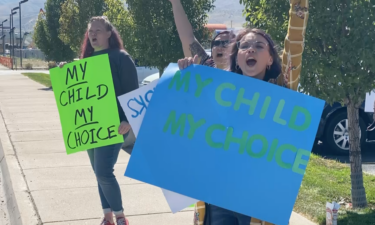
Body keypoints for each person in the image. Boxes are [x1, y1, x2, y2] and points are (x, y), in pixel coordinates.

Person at [176, 0, 309, 224]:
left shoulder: (282, 90)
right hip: (218, 195)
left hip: (259, 198)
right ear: (236, 57)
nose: (251, 49)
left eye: (259, 46)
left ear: (269, 59)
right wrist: (188, 79)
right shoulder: (216, 88)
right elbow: (192, 122)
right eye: (245, 46)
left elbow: (294, 44)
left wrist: (298, 4)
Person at [59, 16, 139, 225]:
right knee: (98, 172)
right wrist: (65, 72)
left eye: (98, 30)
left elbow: (132, 93)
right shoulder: (86, 60)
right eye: (90, 31)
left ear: (109, 34)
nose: (93, 34)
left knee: (104, 171)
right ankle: (107, 216)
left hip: (114, 126)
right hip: (90, 126)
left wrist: (128, 120)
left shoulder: (122, 57)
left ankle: (121, 217)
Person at [168, 0, 235, 69]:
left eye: (226, 43)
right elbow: (187, 36)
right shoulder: (205, 65)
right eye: (216, 43)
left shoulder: (244, 71)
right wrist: (175, 2)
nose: (220, 47)